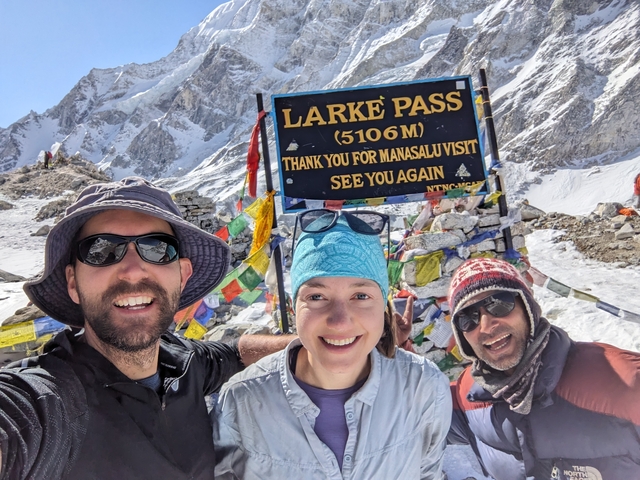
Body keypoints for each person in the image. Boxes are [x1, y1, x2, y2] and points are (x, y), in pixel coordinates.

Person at [0, 177, 292, 479]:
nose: (132, 270)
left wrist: (311, 344)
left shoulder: (182, 361)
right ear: (73, 283)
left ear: (182, 275)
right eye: (101, 250)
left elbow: (234, 353)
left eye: (157, 248)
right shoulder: (53, 402)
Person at [213, 209, 451, 479]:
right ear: (293, 307)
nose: (339, 321)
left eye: (360, 295)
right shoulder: (242, 401)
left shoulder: (423, 387)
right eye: (316, 297)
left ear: (384, 307)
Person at [446, 257, 640, 480]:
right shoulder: (468, 395)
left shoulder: (622, 383)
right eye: (468, 318)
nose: (486, 326)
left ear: (528, 308)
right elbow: (412, 418)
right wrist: (397, 354)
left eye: (499, 303)